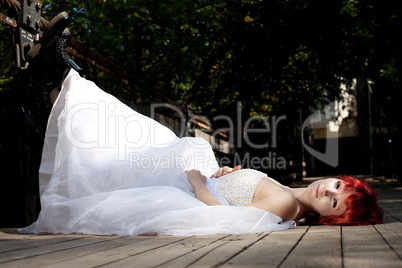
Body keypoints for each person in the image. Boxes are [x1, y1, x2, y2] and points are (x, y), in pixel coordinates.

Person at [19, 12, 383, 236]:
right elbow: (243, 203)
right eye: (337, 184)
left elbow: (225, 218)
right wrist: (235, 177)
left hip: (188, 186)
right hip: (198, 179)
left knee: (119, 133)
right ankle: (55, 75)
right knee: (124, 132)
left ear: (330, 220)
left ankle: (55, 74)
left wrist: (197, 181)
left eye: (335, 203)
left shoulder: (290, 207)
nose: (328, 191)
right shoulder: (291, 197)